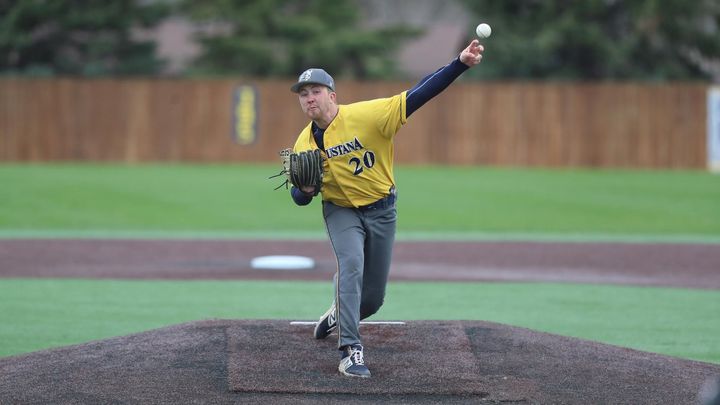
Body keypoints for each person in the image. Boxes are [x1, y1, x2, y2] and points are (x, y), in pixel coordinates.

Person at [288, 39, 484, 378]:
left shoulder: (369, 116)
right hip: (341, 211)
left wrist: (460, 64)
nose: (308, 98)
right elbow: (299, 196)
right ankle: (351, 349)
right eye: (303, 93)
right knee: (351, 265)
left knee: (373, 299)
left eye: (315, 91)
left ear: (332, 95)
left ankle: (337, 313)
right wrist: (304, 190)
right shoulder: (303, 143)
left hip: (382, 209)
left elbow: (420, 94)